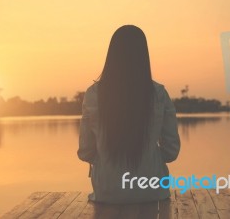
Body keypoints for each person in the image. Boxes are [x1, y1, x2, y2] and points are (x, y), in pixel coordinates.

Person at [77, 25, 180, 203]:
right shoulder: (159, 93)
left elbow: (85, 152)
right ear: (143, 55)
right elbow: (171, 152)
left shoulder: (93, 94)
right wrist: (149, 159)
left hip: (107, 192)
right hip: (153, 191)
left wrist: (105, 160)